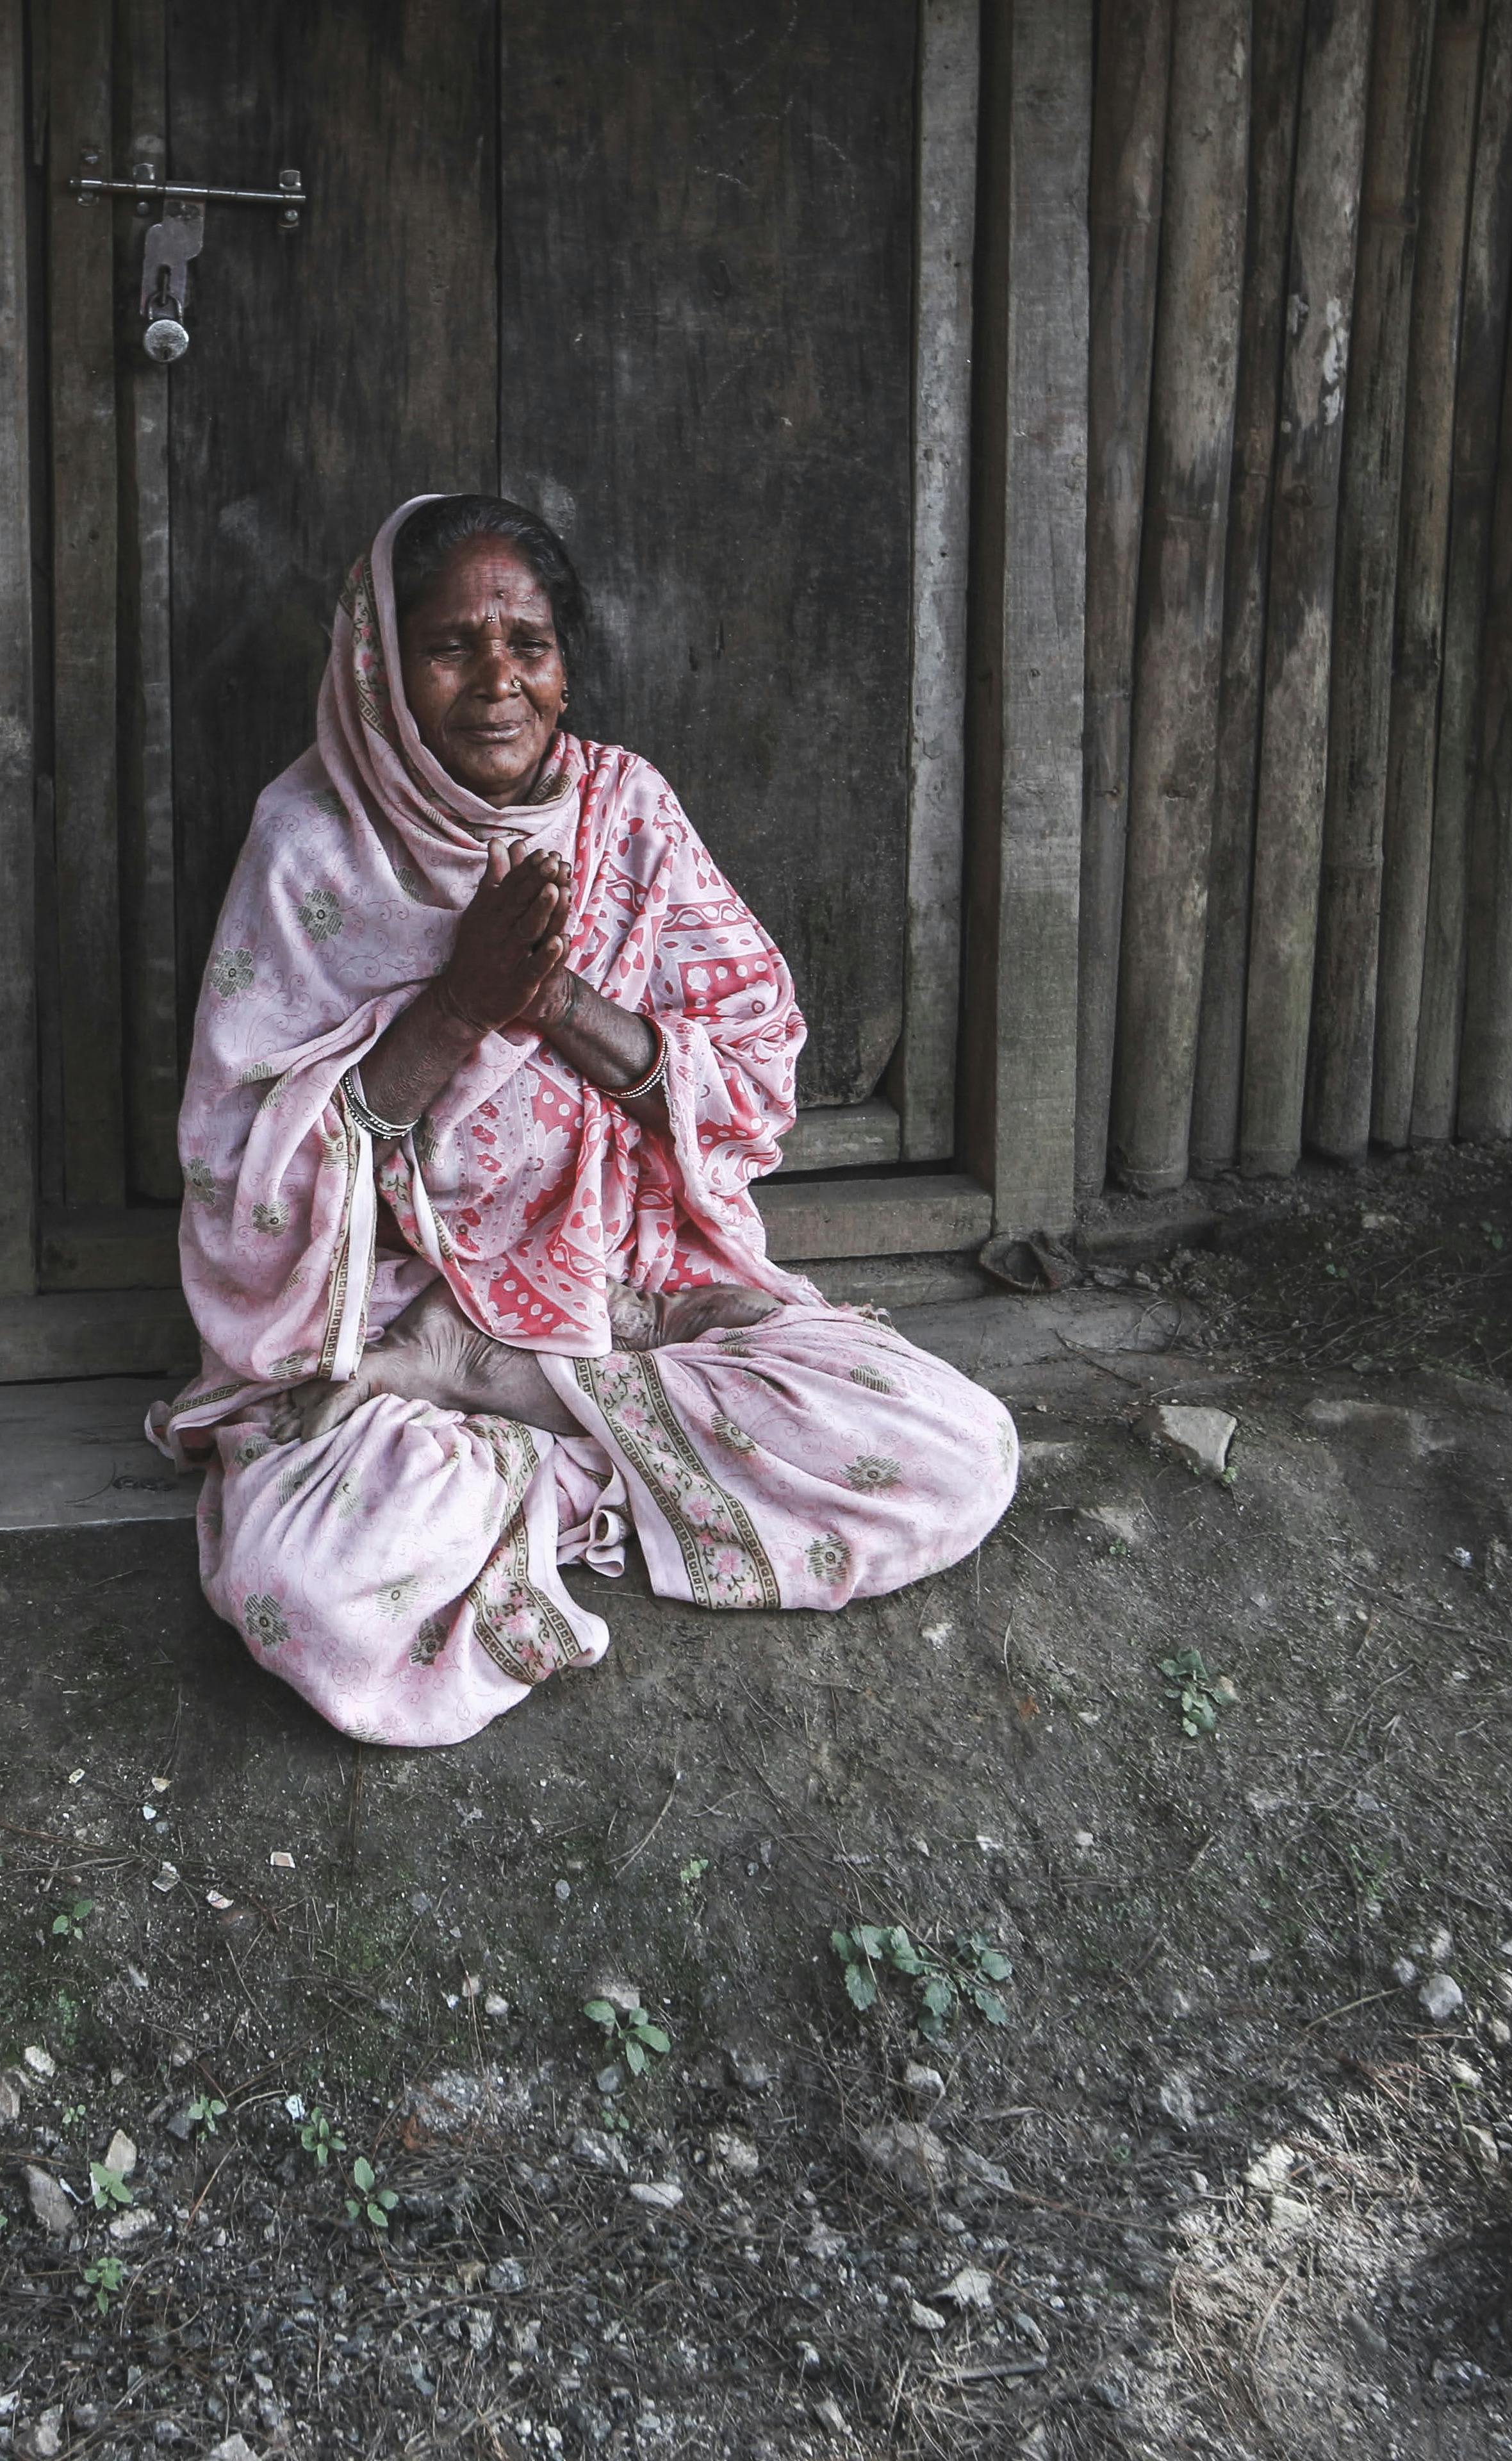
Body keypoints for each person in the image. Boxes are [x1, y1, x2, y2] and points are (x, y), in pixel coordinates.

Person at [149, 493, 1019, 1744]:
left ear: (564, 666)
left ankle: (540, 1413)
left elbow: (758, 1058)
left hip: (625, 1303)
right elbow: (244, 1170)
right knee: (313, 1601)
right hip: (390, 1323)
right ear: (382, 669)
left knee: (960, 1450)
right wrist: (458, 1005)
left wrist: (553, 1000)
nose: (498, 682)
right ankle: (521, 1407)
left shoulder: (627, 813)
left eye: (529, 645)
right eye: (452, 646)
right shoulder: (312, 846)